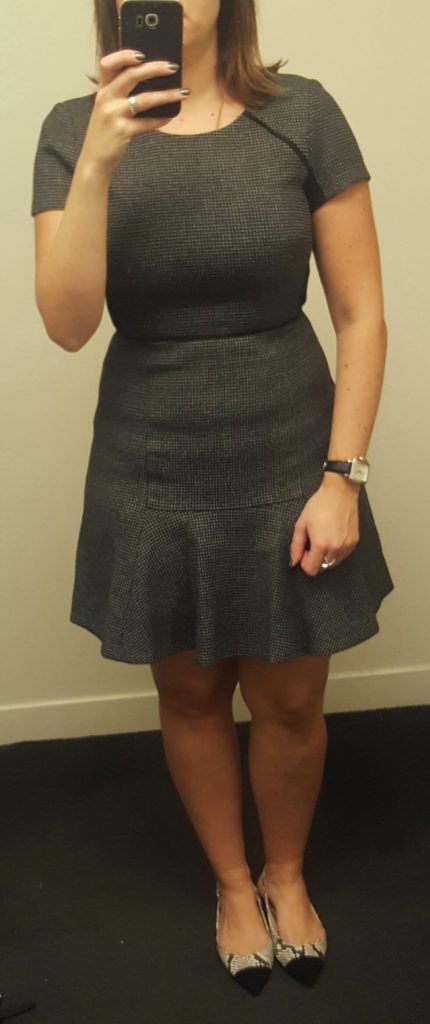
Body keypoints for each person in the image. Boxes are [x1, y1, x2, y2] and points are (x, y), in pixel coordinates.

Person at [31, 0, 395, 998]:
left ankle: (287, 874)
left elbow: (361, 312)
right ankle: (235, 885)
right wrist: (100, 161)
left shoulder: (303, 114)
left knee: (290, 699)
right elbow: (67, 323)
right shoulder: (72, 129)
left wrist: (343, 476)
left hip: (292, 452)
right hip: (150, 461)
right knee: (190, 691)